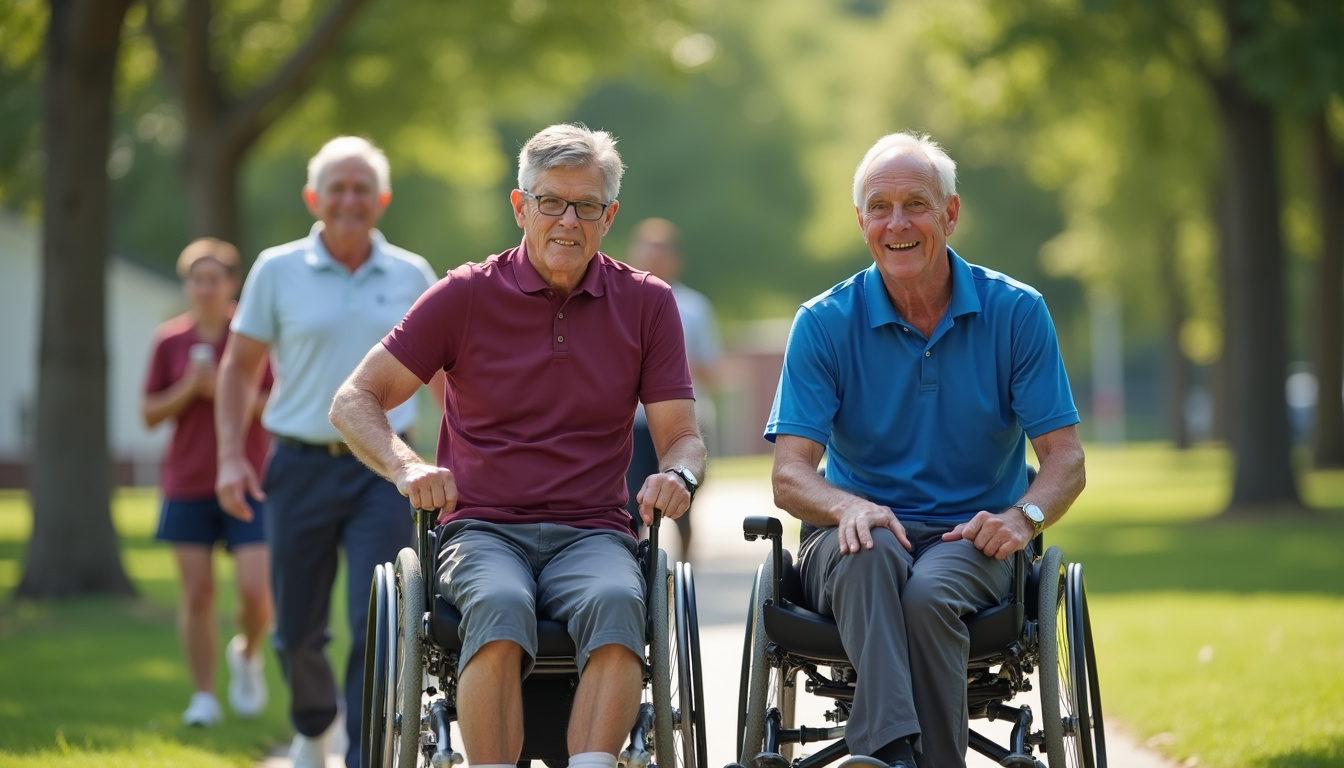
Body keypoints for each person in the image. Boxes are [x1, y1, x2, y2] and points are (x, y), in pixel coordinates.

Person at [329, 123, 706, 768]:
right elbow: (354, 400)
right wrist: (408, 466)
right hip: (482, 529)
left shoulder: (647, 303)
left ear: (609, 215)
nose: (568, 220)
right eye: (550, 201)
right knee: (500, 605)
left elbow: (683, 438)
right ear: (520, 206)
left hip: (593, 531)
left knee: (620, 602)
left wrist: (678, 476)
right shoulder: (466, 294)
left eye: (587, 205)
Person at [764, 132, 1086, 768]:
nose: (898, 223)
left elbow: (1066, 459)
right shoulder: (824, 322)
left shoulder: (1017, 312)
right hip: (854, 535)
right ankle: (900, 753)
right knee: (868, 551)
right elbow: (790, 476)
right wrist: (847, 507)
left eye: (916, 204)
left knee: (930, 591)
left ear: (951, 213)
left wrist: (1022, 518)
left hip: (971, 537)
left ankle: (887, 755)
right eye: (880, 208)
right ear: (862, 223)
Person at [215, 136, 440, 768]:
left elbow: (449, 378)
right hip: (301, 464)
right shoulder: (276, 269)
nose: (349, 199)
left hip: (386, 470)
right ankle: (313, 727)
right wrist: (231, 456)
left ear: (382, 200)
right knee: (296, 629)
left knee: (380, 615)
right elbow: (238, 370)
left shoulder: (412, 274)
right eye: (337, 187)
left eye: (361, 188)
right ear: (314, 197)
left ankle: (366, 751)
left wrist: (460, 459)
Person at [142, 237, 274, 727]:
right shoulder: (169, 341)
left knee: (257, 591)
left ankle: (246, 652)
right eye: (196, 279)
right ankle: (203, 698)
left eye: (213, 278)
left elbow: (273, 406)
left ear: (230, 284)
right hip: (187, 480)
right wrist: (187, 390)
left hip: (250, 478)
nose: (204, 288)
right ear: (188, 286)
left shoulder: (254, 334)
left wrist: (223, 386)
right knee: (196, 593)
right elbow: (149, 413)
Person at [622, 217, 721, 560]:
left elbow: (711, 369)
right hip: (635, 423)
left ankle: (685, 566)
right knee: (632, 502)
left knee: (681, 501)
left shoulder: (694, 307)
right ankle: (635, 565)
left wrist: (668, 367)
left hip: (683, 417)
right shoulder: (621, 302)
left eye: (661, 252)